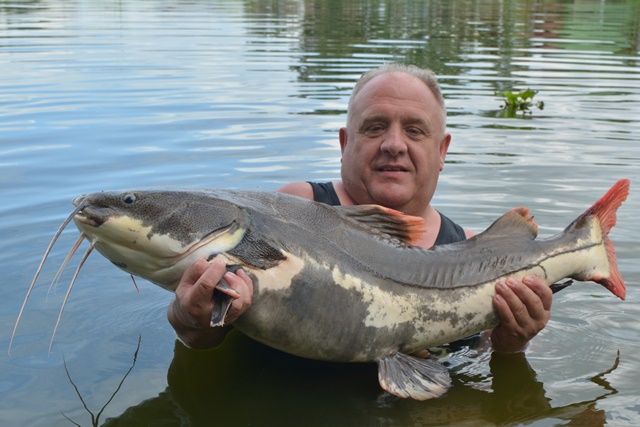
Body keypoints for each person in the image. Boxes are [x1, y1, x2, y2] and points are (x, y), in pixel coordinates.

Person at [167, 63, 553, 354]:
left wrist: (512, 343)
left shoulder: (474, 250)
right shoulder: (295, 208)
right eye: (374, 127)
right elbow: (201, 334)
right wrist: (189, 319)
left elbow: (485, 361)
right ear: (344, 143)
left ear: (442, 151)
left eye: (415, 130)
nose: (394, 145)